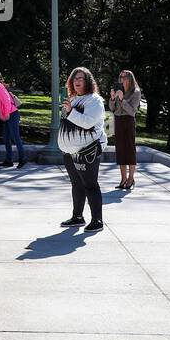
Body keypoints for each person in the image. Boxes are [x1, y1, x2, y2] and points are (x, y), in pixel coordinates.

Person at [58, 66, 108, 232]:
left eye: (80, 78)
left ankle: (97, 220)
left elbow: (88, 123)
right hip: (70, 152)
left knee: (90, 185)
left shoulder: (95, 100)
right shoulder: (73, 99)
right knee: (76, 184)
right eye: (74, 79)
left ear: (88, 81)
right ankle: (77, 216)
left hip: (88, 151)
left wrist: (71, 111)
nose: (77, 81)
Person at [109, 70, 142, 190]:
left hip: (128, 121)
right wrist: (113, 98)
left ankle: (131, 178)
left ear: (130, 78)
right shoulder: (118, 89)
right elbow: (112, 108)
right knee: (121, 149)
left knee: (130, 149)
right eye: (120, 76)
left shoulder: (136, 92)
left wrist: (122, 100)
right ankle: (123, 178)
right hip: (118, 120)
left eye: (124, 77)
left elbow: (132, 111)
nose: (122, 79)